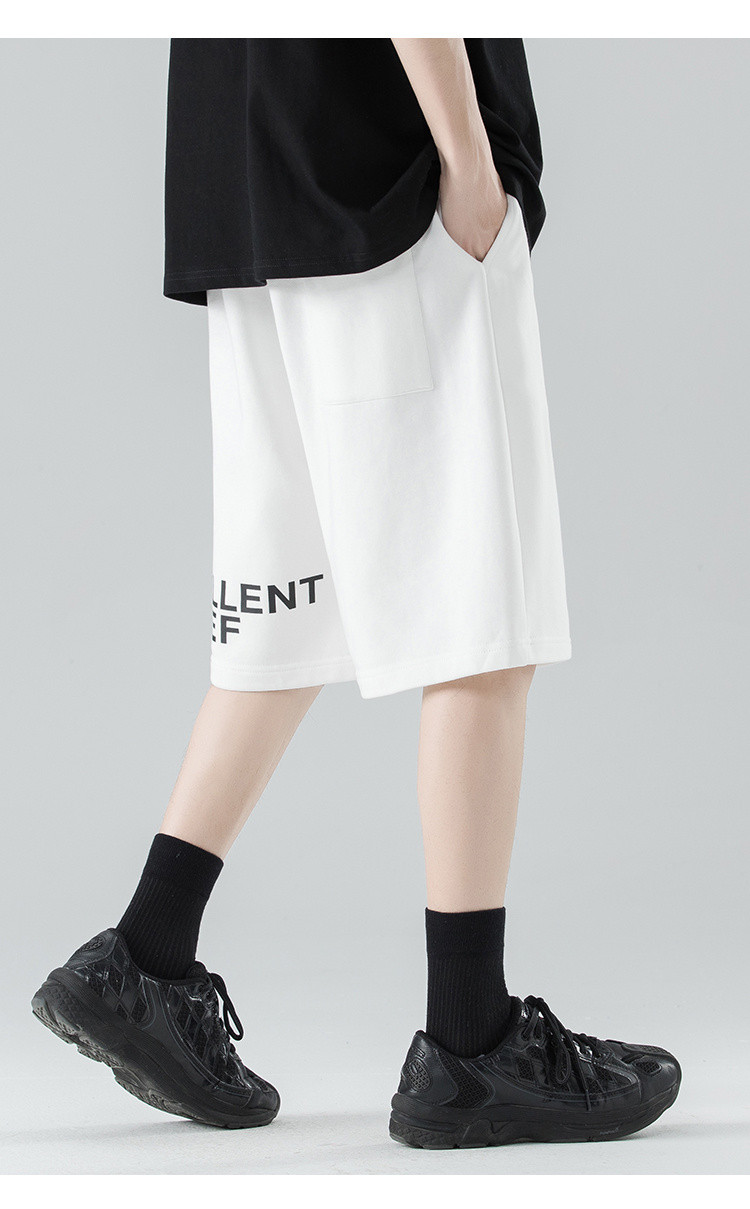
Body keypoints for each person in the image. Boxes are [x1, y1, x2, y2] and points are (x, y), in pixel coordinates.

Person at [32, 38, 680, 1148]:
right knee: (482, 616)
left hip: (251, 179)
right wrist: (467, 159)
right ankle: (471, 1041)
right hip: (391, 177)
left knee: (291, 603)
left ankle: (143, 958)